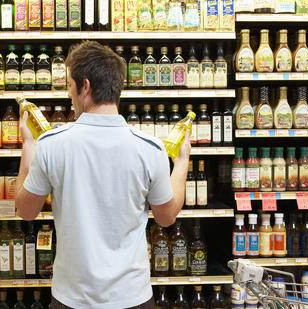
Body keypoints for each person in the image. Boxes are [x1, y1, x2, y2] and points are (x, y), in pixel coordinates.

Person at [14, 41, 190, 309]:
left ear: (85, 87)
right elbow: (166, 217)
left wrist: (28, 146)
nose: (69, 96)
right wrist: (182, 162)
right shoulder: (149, 148)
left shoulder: (51, 144)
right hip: (132, 297)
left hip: (71, 299)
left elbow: (25, 211)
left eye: (70, 87)